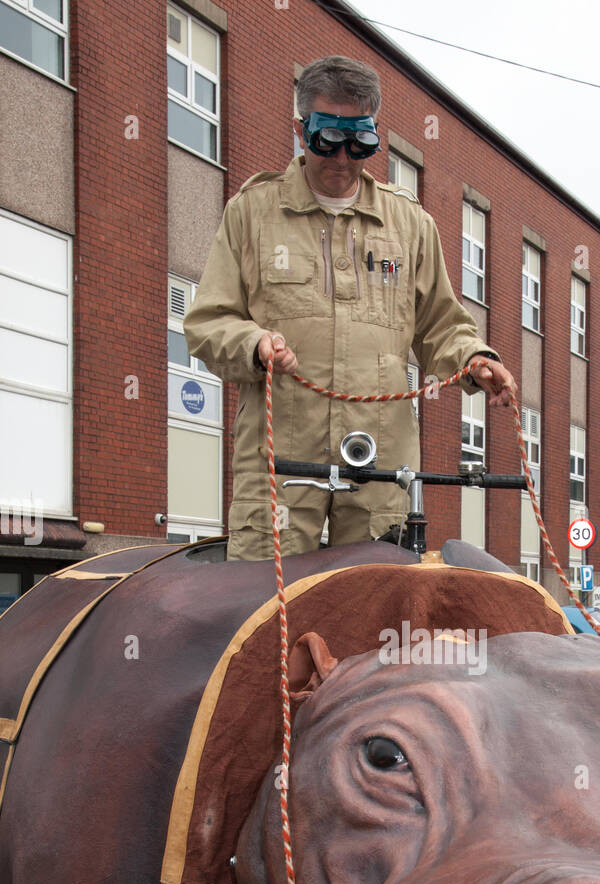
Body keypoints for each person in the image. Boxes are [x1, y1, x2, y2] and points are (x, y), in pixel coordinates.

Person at [184, 54, 517, 561]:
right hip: (278, 463)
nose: (342, 158)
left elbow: (442, 328)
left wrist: (475, 360)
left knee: (376, 616)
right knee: (262, 615)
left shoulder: (410, 225)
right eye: (327, 139)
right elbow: (208, 323)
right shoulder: (251, 213)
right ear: (300, 130)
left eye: (359, 142)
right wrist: (254, 343)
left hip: (381, 468)